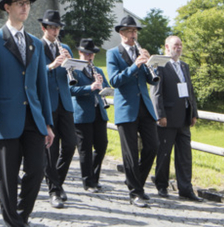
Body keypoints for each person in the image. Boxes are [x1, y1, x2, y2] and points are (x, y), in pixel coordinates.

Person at [0, 0, 54, 227]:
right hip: (5, 118)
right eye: (20, 3)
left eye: (28, 3)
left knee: (36, 170)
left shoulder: (36, 43)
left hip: (33, 117)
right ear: (7, 7)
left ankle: (21, 215)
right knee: (7, 178)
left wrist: (48, 124)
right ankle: (14, 222)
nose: (25, 7)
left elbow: (42, 84)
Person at [107, 15, 160, 208]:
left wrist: (151, 65)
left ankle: (135, 182)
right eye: (130, 31)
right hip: (126, 109)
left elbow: (152, 80)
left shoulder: (141, 52)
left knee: (153, 146)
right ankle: (135, 192)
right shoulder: (113, 53)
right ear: (121, 33)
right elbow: (114, 80)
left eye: (135, 31)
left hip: (145, 108)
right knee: (130, 153)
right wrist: (134, 65)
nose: (133, 34)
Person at [151, 35, 202, 201]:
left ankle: (186, 189)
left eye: (180, 45)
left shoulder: (184, 66)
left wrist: (194, 113)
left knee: (185, 156)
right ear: (167, 47)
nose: (178, 48)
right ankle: (162, 186)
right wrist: (160, 115)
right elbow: (156, 93)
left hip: (184, 118)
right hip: (168, 118)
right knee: (164, 154)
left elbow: (190, 91)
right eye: (175, 45)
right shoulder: (161, 66)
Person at [38, 9, 77, 208]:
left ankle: (57, 182)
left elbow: (72, 73)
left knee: (70, 144)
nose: (55, 31)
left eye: (57, 28)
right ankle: (53, 190)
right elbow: (34, 74)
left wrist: (70, 64)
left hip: (65, 101)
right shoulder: (37, 46)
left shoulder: (65, 46)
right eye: (51, 27)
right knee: (50, 149)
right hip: (47, 102)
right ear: (43, 28)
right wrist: (52, 65)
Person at [69, 38, 109, 193]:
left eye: (91, 54)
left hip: (99, 112)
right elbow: (70, 90)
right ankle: (88, 182)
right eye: (86, 53)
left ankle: (94, 177)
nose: (89, 56)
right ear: (80, 52)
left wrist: (102, 86)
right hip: (82, 114)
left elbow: (105, 86)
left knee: (101, 145)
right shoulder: (73, 69)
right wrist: (89, 87)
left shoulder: (97, 70)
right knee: (85, 149)